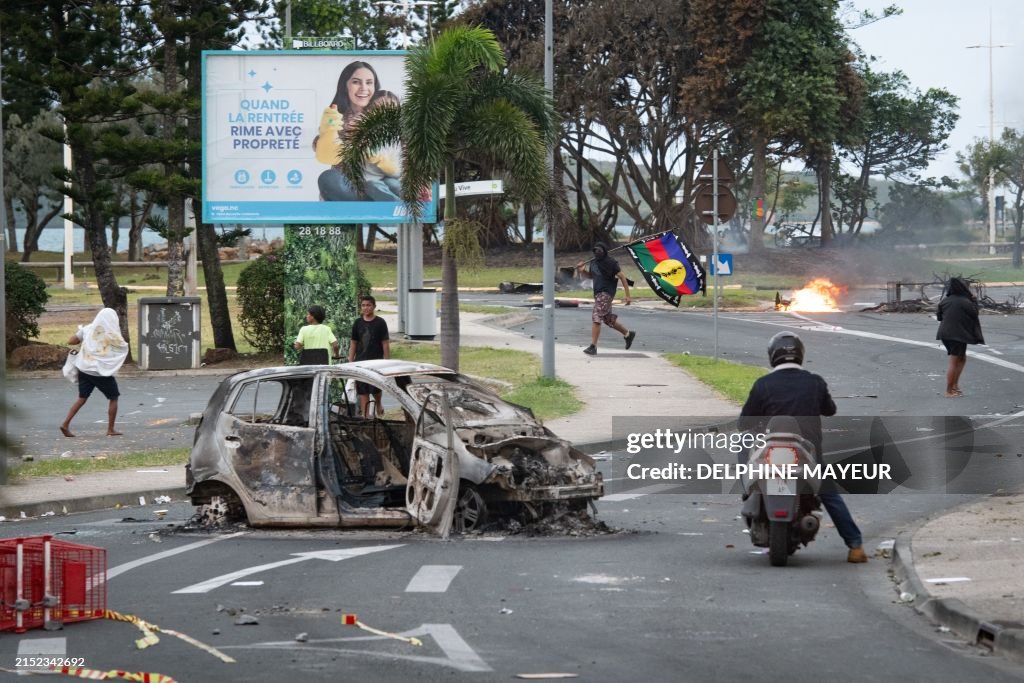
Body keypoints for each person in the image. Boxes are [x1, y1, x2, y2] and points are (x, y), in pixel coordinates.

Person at [739, 332, 868, 564]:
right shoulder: (814, 382)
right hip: (808, 455)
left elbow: (744, 423)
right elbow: (830, 410)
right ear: (800, 355)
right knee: (829, 494)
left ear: (772, 356)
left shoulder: (763, 384)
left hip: (769, 455)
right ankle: (855, 546)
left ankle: (746, 488)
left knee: (743, 444)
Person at [314, 61, 381, 201]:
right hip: (347, 187)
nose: (364, 88)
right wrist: (324, 138)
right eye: (356, 82)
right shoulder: (335, 116)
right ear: (345, 85)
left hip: (380, 185)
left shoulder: (385, 115)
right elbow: (324, 151)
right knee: (329, 178)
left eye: (369, 83)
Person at [60, 308, 129, 438]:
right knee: (113, 397)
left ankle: (65, 424)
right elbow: (120, 348)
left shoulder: (88, 329)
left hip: (84, 368)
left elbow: (71, 341)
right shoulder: (112, 334)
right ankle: (110, 429)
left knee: (82, 398)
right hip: (100, 372)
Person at [575, 242, 636, 355]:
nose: (597, 253)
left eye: (599, 251)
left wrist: (627, 295)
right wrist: (583, 270)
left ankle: (593, 346)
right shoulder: (593, 262)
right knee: (607, 319)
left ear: (604, 251)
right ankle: (628, 334)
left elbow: (622, 277)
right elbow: (592, 276)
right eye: (595, 251)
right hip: (598, 294)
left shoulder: (611, 262)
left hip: (606, 293)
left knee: (597, 316)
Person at [936, 277, 984, 397]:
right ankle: (948, 390)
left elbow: (939, 317)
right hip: (957, 335)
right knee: (954, 360)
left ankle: (955, 386)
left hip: (946, 334)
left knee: (961, 358)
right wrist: (974, 301)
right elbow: (974, 313)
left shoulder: (944, 301)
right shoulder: (965, 301)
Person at [349, 295, 391, 417]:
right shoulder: (357, 323)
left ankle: (378, 403)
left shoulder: (380, 322)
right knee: (362, 390)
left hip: (376, 361)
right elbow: (354, 342)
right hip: (360, 362)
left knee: (375, 388)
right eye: (363, 305)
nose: (366, 308)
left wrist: (387, 362)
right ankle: (365, 416)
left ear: (374, 307)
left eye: (368, 305)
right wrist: (351, 360)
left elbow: (385, 343)